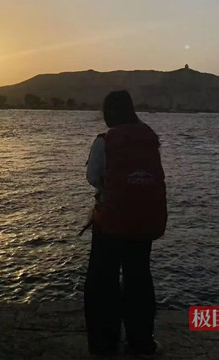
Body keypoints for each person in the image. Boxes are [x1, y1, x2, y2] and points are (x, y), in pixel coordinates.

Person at [83, 90, 167, 359]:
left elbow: (93, 177)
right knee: (139, 277)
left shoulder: (104, 141)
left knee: (102, 281)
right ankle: (141, 342)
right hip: (144, 221)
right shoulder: (149, 139)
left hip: (110, 222)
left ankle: (104, 345)